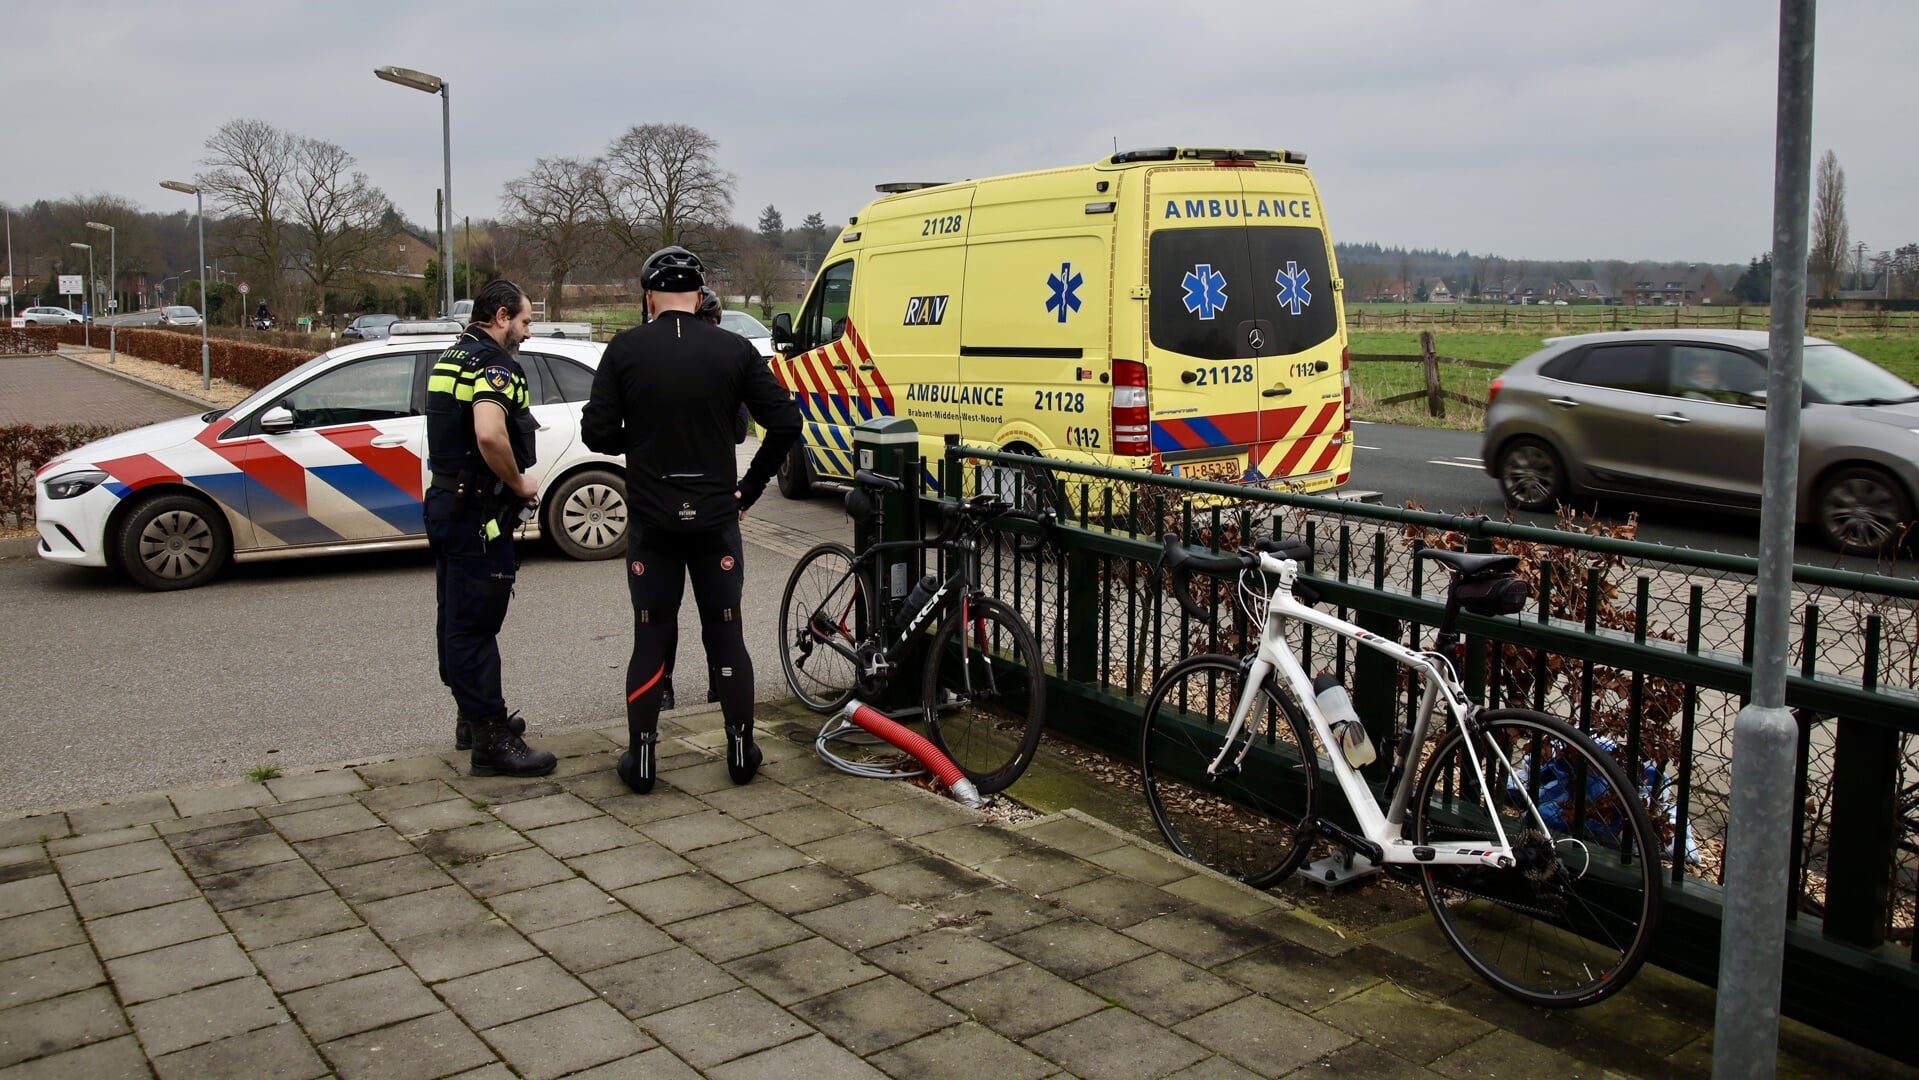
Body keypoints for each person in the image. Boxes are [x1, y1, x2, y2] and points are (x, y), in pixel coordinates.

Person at [582, 247, 802, 793]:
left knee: (651, 634)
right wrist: (748, 489)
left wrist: (644, 430)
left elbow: (597, 435)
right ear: (701, 296)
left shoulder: (626, 349)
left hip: (653, 517)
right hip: (715, 517)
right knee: (725, 631)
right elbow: (786, 422)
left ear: (648, 296)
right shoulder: (731, 348)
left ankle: (642, 759)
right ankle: (739, 751)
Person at [423, 278, 557, 777]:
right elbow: (488, 431)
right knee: (476, 625)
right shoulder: (495, 366)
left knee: (455, 616)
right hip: (479, 512)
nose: (526, 332)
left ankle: (470, 718)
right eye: (524, 321)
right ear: (501, 316)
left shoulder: (452, 356)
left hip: (448, 505)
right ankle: (491, 740)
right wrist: (519, 483)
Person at [656, 287, 754, 712]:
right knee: (684, 605)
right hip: (693, 498)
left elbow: (738, 429)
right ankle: (676, 683)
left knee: (708, 605)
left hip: (697, 499)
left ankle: (705, 682)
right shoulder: (693, 360)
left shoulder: (726, 360)